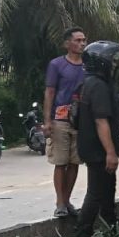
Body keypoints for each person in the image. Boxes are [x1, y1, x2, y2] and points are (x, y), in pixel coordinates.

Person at [75, 40, 119, 237]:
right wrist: (110, 152)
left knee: (107, 189)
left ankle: (110, 226)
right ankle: (82, 236)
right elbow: (100, 121)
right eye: (112, 62)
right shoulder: (98, 86)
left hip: (92, 147)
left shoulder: (89, 83)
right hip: (98, 149)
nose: (114, 66)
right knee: (96, 193)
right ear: (101, 63)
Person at [44, 28, 87, 217]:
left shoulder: (88, 66)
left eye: (84, 40)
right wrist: (47, 121)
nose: (82, 44)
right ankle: (60, 202)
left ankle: (67, 200)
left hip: (80, 121)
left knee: (74, 162)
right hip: (60, 120)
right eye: (77, 40)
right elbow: (50, 92)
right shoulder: (56, 65)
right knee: (60, 163)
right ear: (67, 43)